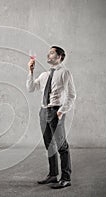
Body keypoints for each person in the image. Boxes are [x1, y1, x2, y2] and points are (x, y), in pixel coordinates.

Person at [26, 46, 76, 189]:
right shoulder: (44, 75)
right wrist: (30, 71)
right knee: (49, 145)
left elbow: (72, 95)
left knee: (62, 146)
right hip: (43, 112)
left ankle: (66, 178)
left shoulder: (65, 73)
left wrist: (61, 111)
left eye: (52, 52)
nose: (49, 54)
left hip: (56, 111)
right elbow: (30, 88)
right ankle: (53, 174)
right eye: (49, 52)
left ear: (60, 56)